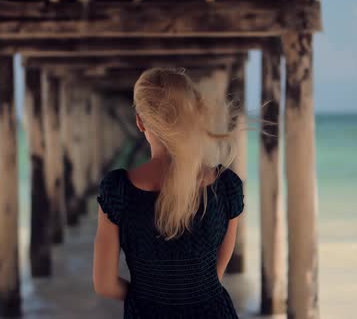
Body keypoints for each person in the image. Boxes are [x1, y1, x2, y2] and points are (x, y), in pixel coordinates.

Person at [93, 67, 244, 318]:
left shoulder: (118, 190)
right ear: (191, 115)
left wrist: (149, 297)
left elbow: (104, 284)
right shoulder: (227, 187)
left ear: (140, 122)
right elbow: (212, 277)